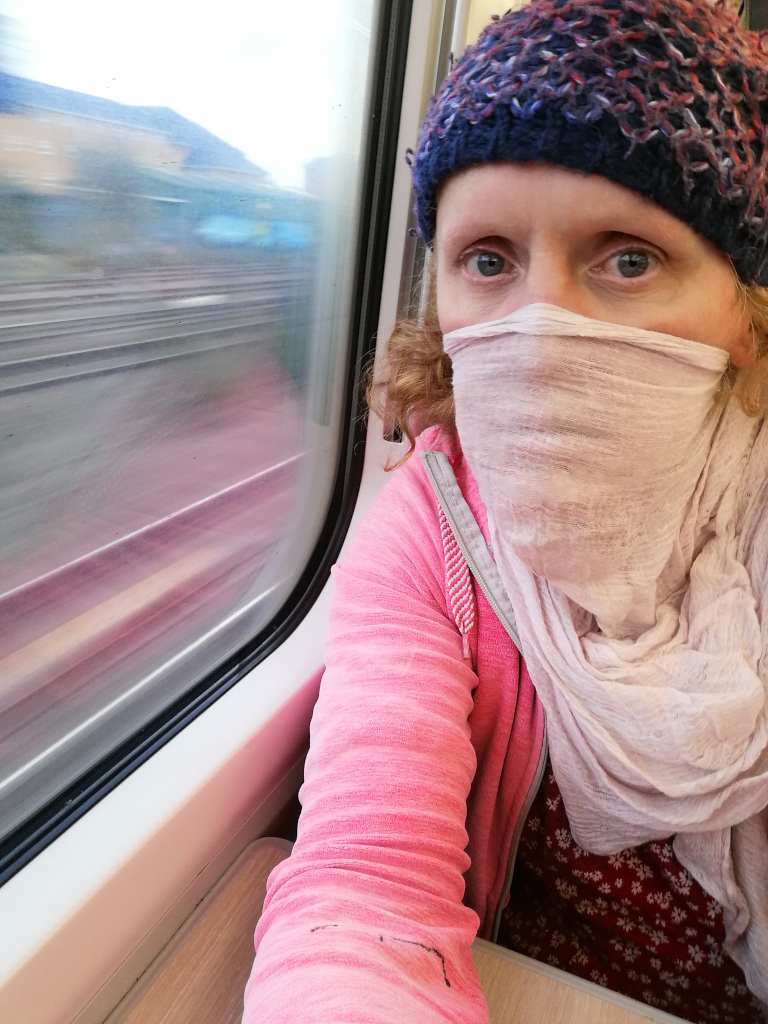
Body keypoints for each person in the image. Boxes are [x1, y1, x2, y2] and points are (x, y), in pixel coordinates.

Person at [242, 0, 768, 1020]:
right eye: (489, 261)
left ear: (742, 317)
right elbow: (361, 897)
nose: (539, 326)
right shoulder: (430, 535)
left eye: (627, 258)